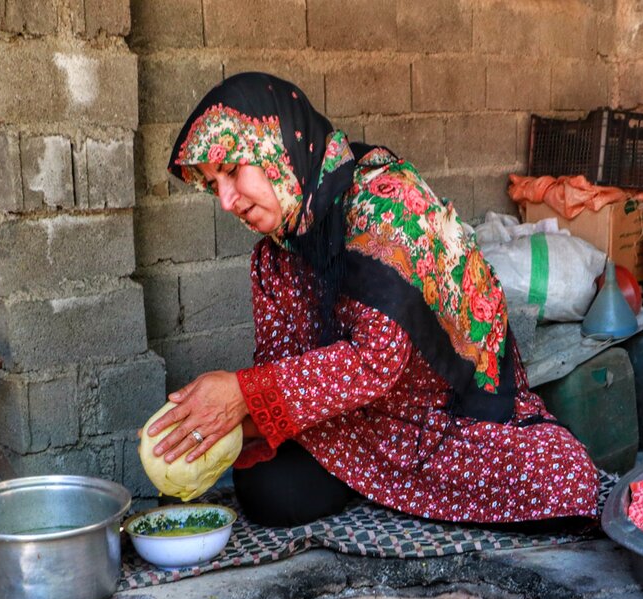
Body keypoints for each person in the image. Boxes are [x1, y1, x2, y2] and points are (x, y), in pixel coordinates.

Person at [147, 73, 600, 528]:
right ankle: (376, 481)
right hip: (352, 420)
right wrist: (214, 425)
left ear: (277, 144)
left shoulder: (386, 202)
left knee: (565, 482)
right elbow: (284, 376)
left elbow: (377, 360)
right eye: (212, 185)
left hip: (442, 421)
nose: (225, 200)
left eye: (231, 170)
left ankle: (380, 482)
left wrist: (241, 393)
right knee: (267, 488)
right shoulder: (277, 255)